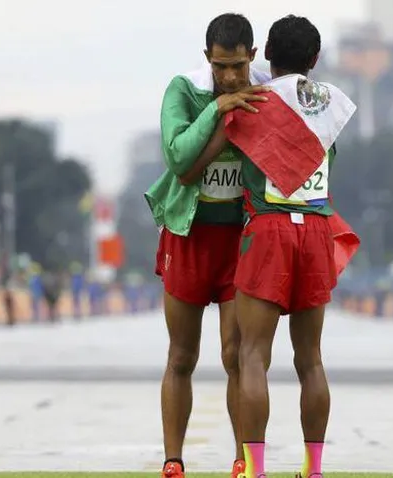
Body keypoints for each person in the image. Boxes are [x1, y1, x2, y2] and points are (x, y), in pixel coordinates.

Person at [224, 15, 357, 477]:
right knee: (311, 360)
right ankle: (313, 469)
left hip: (269, 229)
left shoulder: (253, 103)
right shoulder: (331, 105)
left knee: (252, 355)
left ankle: (256, 470)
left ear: (265, 55)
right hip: (317, 230)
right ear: (315, 59)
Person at [143, 12, 271, 478]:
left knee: (236, 355)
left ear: (252, 56)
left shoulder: (267, 92)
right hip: (188, 237)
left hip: (240, 241)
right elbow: (178, 157)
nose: (231, 77)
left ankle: (242, 459)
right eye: (220, 67)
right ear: (207, 59)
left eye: (238, 66)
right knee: (182, 355)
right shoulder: (184, 90)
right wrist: (218, 109)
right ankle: (173, 460)